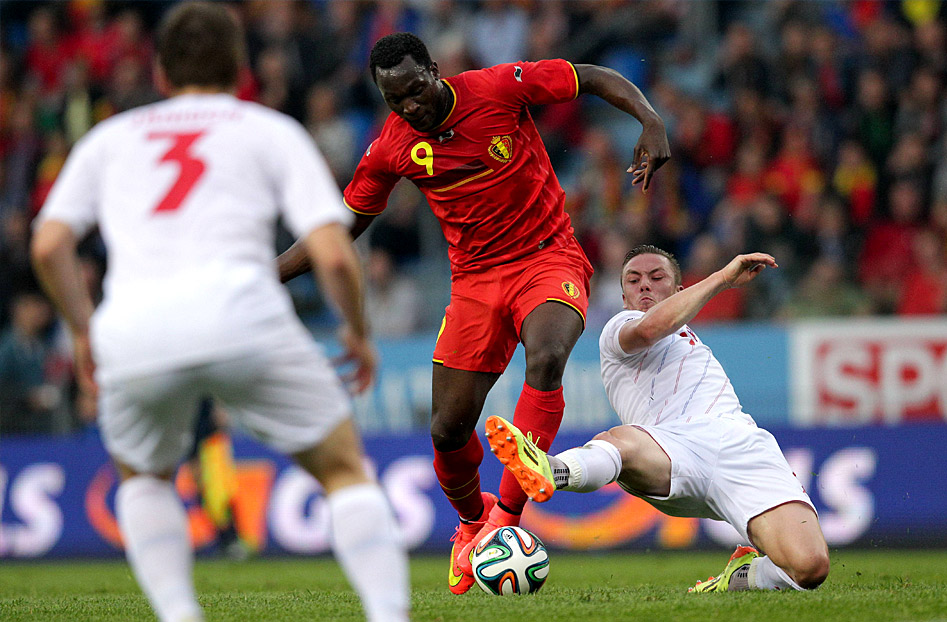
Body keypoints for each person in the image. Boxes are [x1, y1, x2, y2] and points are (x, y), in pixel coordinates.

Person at [30, 4, 409, 621]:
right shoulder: (269, 130)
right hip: (245, 320)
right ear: (240, 68)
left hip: (135, 331)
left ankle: (180, 613)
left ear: (158, 72)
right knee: (343, 470)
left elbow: (48, 244)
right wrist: (358, 332)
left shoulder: (111, 139)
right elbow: (334, 253)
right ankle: (389, 615)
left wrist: (81, 330)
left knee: (145, 477)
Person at [277, 32, 671, 594]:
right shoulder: (390, 146)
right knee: (446, 430)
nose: (410, 107)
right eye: (396, 101)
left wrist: (649, 119)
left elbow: (592, 76)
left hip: (546, 256)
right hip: (475, 284)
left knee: (549, 356)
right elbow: (339, 229)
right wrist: (264, 274)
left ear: (435, 71)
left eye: (416, 90)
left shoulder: (498, 88)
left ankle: (505, 519)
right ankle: (471, 523)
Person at [486, 245, 830, 592]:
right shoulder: (620, 328)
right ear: (624, 297)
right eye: (633, 281)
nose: (644, 286)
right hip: (669, 449)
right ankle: (553, 470)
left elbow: (668, 323)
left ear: (679, 291)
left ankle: (740, 578)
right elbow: (651, 328)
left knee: (810, 568)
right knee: (623, 441)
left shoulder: (691, 341)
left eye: (656, 277)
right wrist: (723, 278)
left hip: (742, 445)